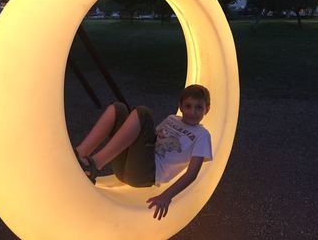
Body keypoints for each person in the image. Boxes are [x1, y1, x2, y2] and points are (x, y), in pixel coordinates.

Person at [74, 84, 213, 220]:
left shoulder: (202, 135)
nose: (192, 112)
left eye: (198, 107)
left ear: (207, 109)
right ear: (180, 106)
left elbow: (192, 173)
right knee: (119, 108)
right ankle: (80, 154)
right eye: (188, 106)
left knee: (143, 114)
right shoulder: (172, 119)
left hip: (145, 173)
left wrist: (166, 196)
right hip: (128, 164)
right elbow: (150, 137)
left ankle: (94, 165)